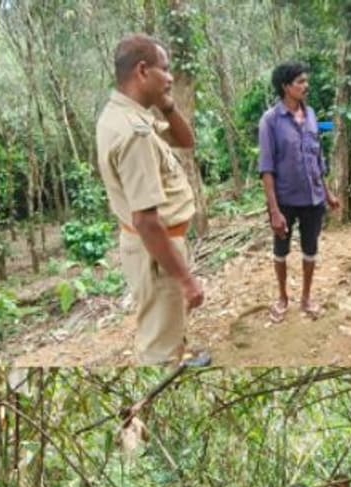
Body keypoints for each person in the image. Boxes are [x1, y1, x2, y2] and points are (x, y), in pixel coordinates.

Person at [95, 33, 205, 365]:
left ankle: (177, 354)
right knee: (157, 345)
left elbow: (185, 140)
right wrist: (186, 280)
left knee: (167, 322)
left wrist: (168, 105)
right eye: (165, 69)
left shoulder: (131, 116)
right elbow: (146, 220)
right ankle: (165, 367)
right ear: (143, 71)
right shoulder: (133, 133)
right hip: (155, 249)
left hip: (157, 248)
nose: (170, 78)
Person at [258, 61, 341, 323]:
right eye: (300, 82)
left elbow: (317, 159)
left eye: (306, 81)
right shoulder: (271, 120)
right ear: (285, 87)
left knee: (310, 248)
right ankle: (283, 297)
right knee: (281, 251)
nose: (306, 86)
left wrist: (327, 193)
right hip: (284, 200)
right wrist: (274, 210)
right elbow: (267, 167)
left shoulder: (312, 114)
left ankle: (306, 297)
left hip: (313, 197)